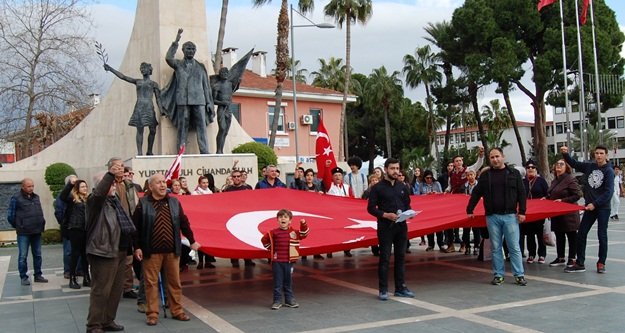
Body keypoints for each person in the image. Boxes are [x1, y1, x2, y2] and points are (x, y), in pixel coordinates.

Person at [133, 173, 201, 326]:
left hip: (172, 250)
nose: (163, 185)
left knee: (174, 282)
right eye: (159, 183)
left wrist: (192, 241)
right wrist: (137, 247)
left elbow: (184, 223)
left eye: (164, 182)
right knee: (151, 284)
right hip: (151, 251)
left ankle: (177, 310)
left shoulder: (174, 202)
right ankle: (152, 314)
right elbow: (135, 228)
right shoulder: (143, 204)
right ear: (150, 187)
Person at [85, 159, 135, 333]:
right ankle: (94, 325)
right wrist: (110, 175)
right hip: (103, 251)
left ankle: (108, 320)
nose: (114, 186)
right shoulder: (95, 202)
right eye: (111, 184)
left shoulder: (114, 203)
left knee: (115, 290)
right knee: (101, 290)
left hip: (120, 250)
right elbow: (99, 194)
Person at [466, 147, 528, 286]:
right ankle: (498, 275)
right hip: (492, 217)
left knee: (514, 247)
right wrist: (470, 209)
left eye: (497, 156)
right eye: (492, 157)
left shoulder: (514, 173)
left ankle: (519, 275)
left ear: (503, 157)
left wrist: (522, 211)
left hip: (510, 216)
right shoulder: (486, 176)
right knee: (496, 247)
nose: (495, 159)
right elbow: (476, 193)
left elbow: (521, 193)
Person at [562, 145, 614, 274]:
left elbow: (609, 192)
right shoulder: (590, 166)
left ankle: (601, 262)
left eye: (601, 153)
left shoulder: (609, 171)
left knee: (602, 235)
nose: (599, 156)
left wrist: (595, 204)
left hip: (602, 208)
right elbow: (574, 163)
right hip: (590, 207)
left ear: (606, 155)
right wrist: (565, 154)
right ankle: (580, 263)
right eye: (597, 153)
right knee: (582, 233)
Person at [367, 158, 414, 301]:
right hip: (385, 227)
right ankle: (383, 289)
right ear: (386, 169)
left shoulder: (403, 187)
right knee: (385, 258)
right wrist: (385, 215)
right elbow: (370, 208)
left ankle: (400, 287)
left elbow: (407, 205)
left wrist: (409, 213)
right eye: (392, 168)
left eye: (397, 168)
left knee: (401, 256)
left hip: (401, 226)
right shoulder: (377, 188)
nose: (395, 171)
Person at [161, 28, 213, 154]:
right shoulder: (178, 64)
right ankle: (180, 152)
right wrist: (176, 41)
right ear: (183, 51)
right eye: (188, 49)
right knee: (182, 127)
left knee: (201, 127)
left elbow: (206, 86)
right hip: (183, 100)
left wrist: (209, 102)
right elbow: (168, 58)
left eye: (192, 49)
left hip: (199, 100)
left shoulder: (201, 67)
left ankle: (205, 152)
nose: (190, 51)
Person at [104, 62, 163, 156]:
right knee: (140, 129)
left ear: (149, 70)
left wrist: (161, 109)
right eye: (141, 68)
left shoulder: (153, 84)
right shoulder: (137, 81)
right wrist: (110, 69)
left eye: (144, 68)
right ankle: (140, 152)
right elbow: (123, 77)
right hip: (139, 106)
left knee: (153, 130)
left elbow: (158, 98)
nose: (143, 70)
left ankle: (149, 151)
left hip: (149, 106)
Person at [261, 209, 309, 310]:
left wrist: (303, 224)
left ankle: (289, 300)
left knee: (288, 282)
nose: (283, 219)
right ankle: (277, 301)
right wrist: (271, 248)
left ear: (290, 221)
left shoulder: (294, 233)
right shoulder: (273, 232)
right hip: (277, 262)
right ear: (277, 220)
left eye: (285, 217)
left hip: (289, 262)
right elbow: (264, 240)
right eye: (281, 217)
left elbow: (304, 234)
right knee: (277, 283)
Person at [7, 178, 48, 286]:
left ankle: (38, 275)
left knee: (38, 255)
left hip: (36, 231)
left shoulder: (36, 197)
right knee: (23, 256)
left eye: (32, 186)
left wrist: (42, 223)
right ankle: (23, 277)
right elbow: (10, 215)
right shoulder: (16, 198)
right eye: (29, 186)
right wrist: (19, 225)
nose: (31, 188)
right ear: (23, 187)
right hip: (23, 233)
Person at [546, 159, 582, 267]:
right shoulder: (554, 180)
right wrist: (546, 198)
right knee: (559, 235)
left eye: (561, 164)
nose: (559, 166)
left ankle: (572, 258)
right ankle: (560, 257)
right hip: (557, 213)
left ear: (566, 167)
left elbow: (578, 194)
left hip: (569, 214)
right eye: (557, 164)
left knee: (571, 236)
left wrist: (563, 201)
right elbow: (552, 194)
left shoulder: (570, 179)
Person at [60, 177, 91, 289]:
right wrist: (69, 184)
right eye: (82, 186)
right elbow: (63, 196)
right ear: (77, 188)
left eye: (86, 186)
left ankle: (87, 277)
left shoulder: (88, 198)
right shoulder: (72, 198)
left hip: (86, 229)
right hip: (75, 228)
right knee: (75, 253)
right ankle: (72, 278)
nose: (85, 188)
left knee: (85, 255)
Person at [223, 169, 256, 266]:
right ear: (232, 178)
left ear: (242, 177)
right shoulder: (228, 189)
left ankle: (248, 259)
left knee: (247, 239)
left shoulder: (248, 188)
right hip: (233, 218)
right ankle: (234, 260)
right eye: (234, 176)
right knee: (233, 240)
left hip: (246, 218)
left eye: (238, 176)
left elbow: (253, 202)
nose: (236, 178)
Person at [521, 159, 549, 264]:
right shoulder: (523, 182)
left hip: (539, 212)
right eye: (528, 168)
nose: (530, 169)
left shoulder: (541, 181)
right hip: (527, 212)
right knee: (529, 234)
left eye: (532, 167)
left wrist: (544, 198)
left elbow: (548, 194)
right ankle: (531, 254)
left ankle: (542, 254)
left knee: (540, 233)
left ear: (536, 169)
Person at [326, 166, 354, 257]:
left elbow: (352, 199)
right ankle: (330, 250)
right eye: (335, 175)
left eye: (339, 175)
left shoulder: (347, 187)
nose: (337, 177)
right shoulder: (329, 186)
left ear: (342, 177)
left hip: (344, 213)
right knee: (332, 233)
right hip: (333, 214)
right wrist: (326, 167)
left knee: (346, 232)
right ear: (332, 177)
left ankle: (347, 249)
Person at [421, 170, 445, 252]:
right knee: (429, 227)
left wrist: (436, 193)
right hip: (427, 209)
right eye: (427, 178)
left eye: (431, 178)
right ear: (424, 178)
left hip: (437, 208)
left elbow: (442, 194)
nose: (429, 179)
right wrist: (426, 195)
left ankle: (441, 244)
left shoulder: (437, 184)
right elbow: (417, 195)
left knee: (439, 227)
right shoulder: (422, 185)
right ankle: (431, 244)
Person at [460, 169, 480, 255]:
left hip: (477, 210)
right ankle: (467, 246)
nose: (470, 177)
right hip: (467, 210)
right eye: (468, 175)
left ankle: (476, 246)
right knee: (466, 230)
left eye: (471, 175)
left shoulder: (480, 185)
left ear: (475, 175)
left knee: (476, 229)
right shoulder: (463, 186)